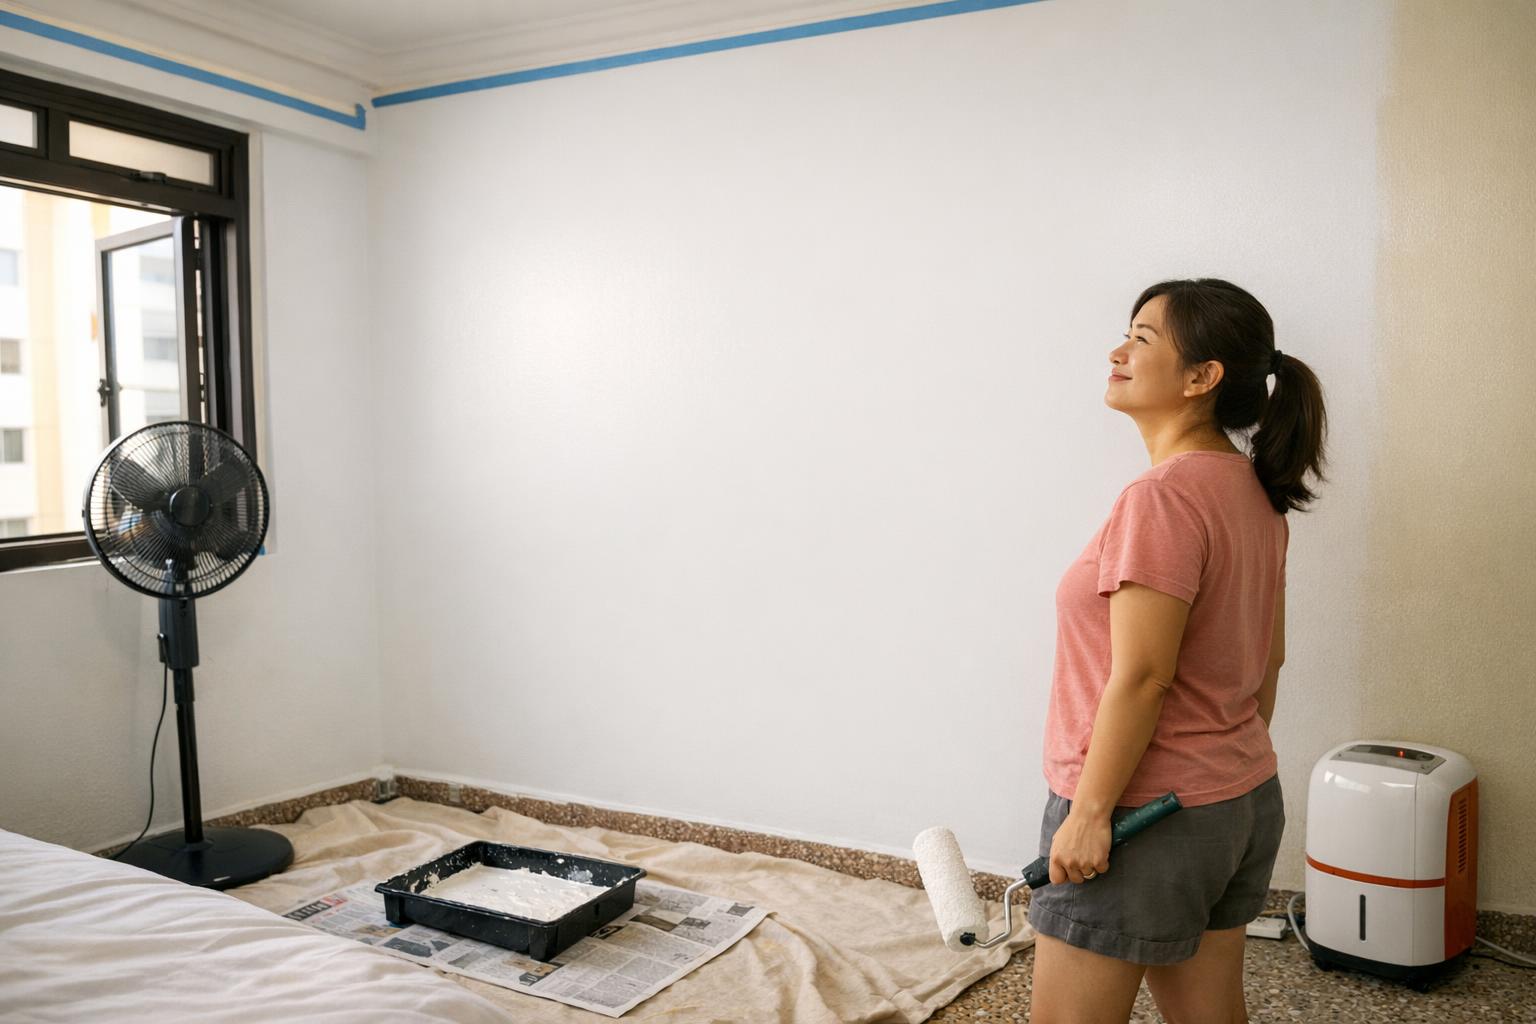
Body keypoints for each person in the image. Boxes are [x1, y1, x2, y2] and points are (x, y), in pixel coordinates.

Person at [1026, 279, 1327, 1024]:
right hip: (1238, 802)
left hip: (1144, 815)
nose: (1118, 352)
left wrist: (1091, 813)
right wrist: (1221, 765)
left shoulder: (1161, 498)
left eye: (1143, 339)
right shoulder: (1253, 494)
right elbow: (1269, 664)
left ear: (1202, 378)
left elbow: (1144, 674)